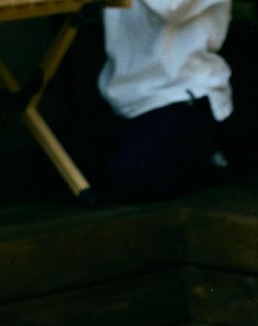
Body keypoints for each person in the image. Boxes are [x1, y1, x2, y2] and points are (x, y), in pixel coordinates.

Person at [98, 0, 232, 201]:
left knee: (132, 180)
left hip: (181, 92)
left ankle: (210, 156)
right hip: (125, 98)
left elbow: (172, 7)